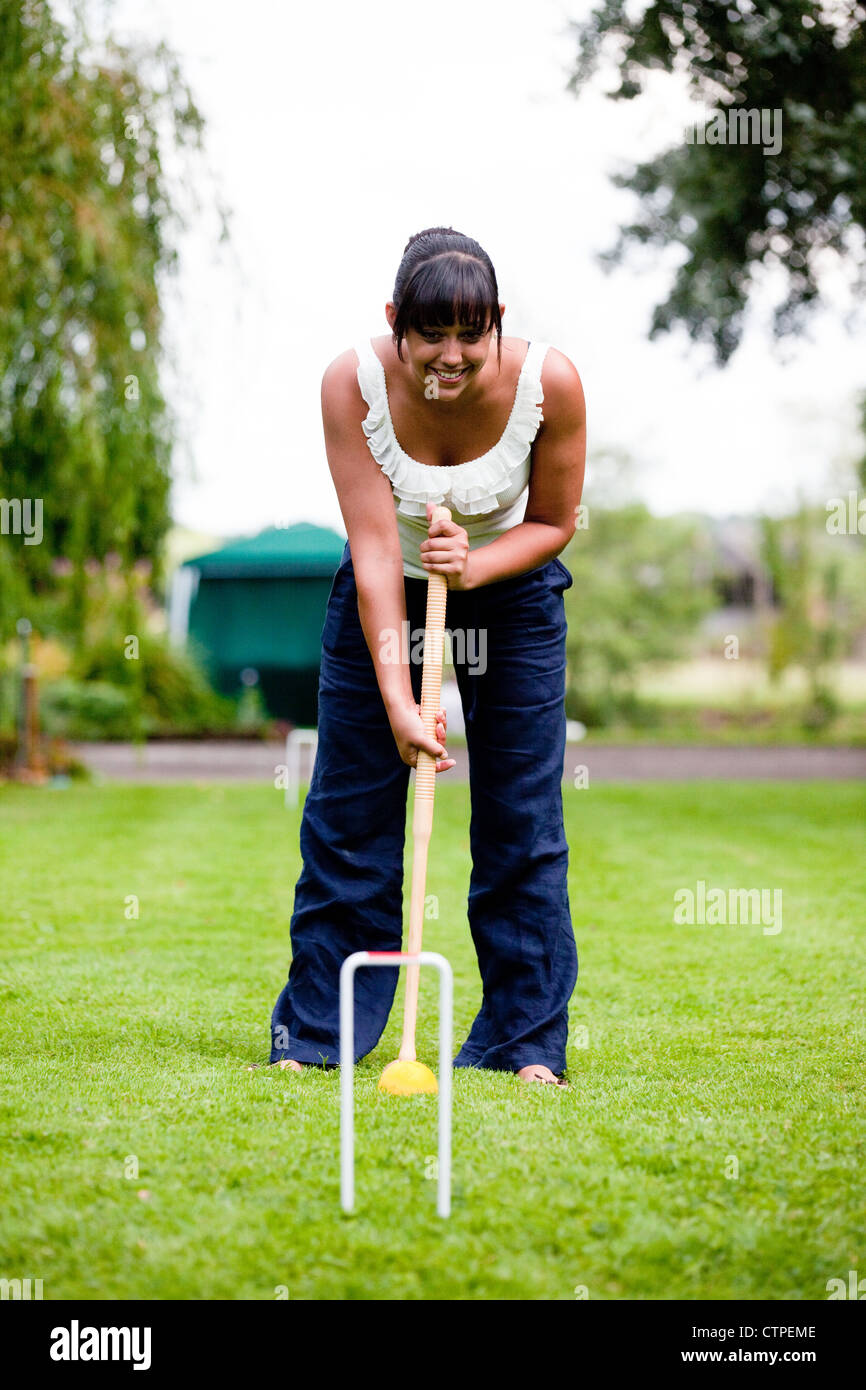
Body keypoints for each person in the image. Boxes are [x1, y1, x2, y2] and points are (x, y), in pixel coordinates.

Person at [259, 226, 586, 1086]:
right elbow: (373, 553)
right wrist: (402, 703)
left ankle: (525, 1043)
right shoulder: (350, 384)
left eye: (468, 336)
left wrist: (473, 563)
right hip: (387, 592)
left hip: (511, 591)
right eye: (428, 335)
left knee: (522, 822)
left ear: (496, 324)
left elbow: (553, 526)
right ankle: (320, 1033)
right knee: (349, 816)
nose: (448, 357)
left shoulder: (550, 383)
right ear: (394, 322)